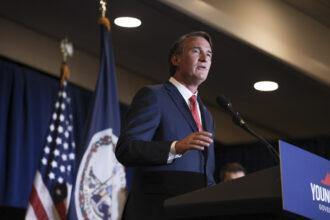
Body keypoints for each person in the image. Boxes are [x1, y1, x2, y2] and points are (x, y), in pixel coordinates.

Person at [115, 31, 215, 220]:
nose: (204, 58)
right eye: (196, 51)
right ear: (176, 59)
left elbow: (206, 174)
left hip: (194, 211)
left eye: (209, 55)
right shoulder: (154, 96)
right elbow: (126, 149)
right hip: (156, 210)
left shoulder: (207, 116)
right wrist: (174, 147)